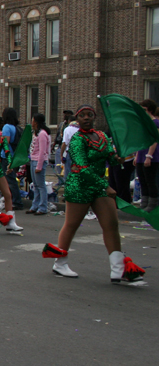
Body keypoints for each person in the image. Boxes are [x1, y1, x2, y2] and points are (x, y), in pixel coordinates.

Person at [43, 105, 146, 285]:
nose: (86, 118)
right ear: (77, 119)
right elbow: (82, 168)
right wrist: (105, 187)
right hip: (80, 185)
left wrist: (120, 158)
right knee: (72, 224)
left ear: (94, 117)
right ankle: (60, 263)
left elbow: (110, 157)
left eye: (89, 115)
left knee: (111, 224)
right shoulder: (76, 139)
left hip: (99, 186)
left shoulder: (102, 136)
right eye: (82, 115)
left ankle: (118, 269)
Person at [134, 99, 159, 211]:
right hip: (141, 154)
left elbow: (154, 140)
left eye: (144, 109)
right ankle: (144, 202)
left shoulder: (155, 123)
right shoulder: (143, 123)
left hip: (151, 156)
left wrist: (149, 155)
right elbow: (141, 141)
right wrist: (137, 155)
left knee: (150, 180)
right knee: (142, 180)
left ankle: (152, 203)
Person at [26, 113, 51, 215]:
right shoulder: (36, 133)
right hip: (33, 159)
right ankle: (35, 205)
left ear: (36, 121)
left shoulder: (42, 134)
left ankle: (43, 207)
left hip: (39, 161)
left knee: (41, 186)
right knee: (35, 185)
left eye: (32, 120)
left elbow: (42, 151)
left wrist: (39, 166)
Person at [1, 107, 24, 210]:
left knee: (9, 180)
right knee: (11, 179)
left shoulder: (6, 127)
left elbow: (6, 143)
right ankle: (13, 199)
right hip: (14, 155)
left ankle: (16, 201)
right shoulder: (16, 127)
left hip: (6, 157)